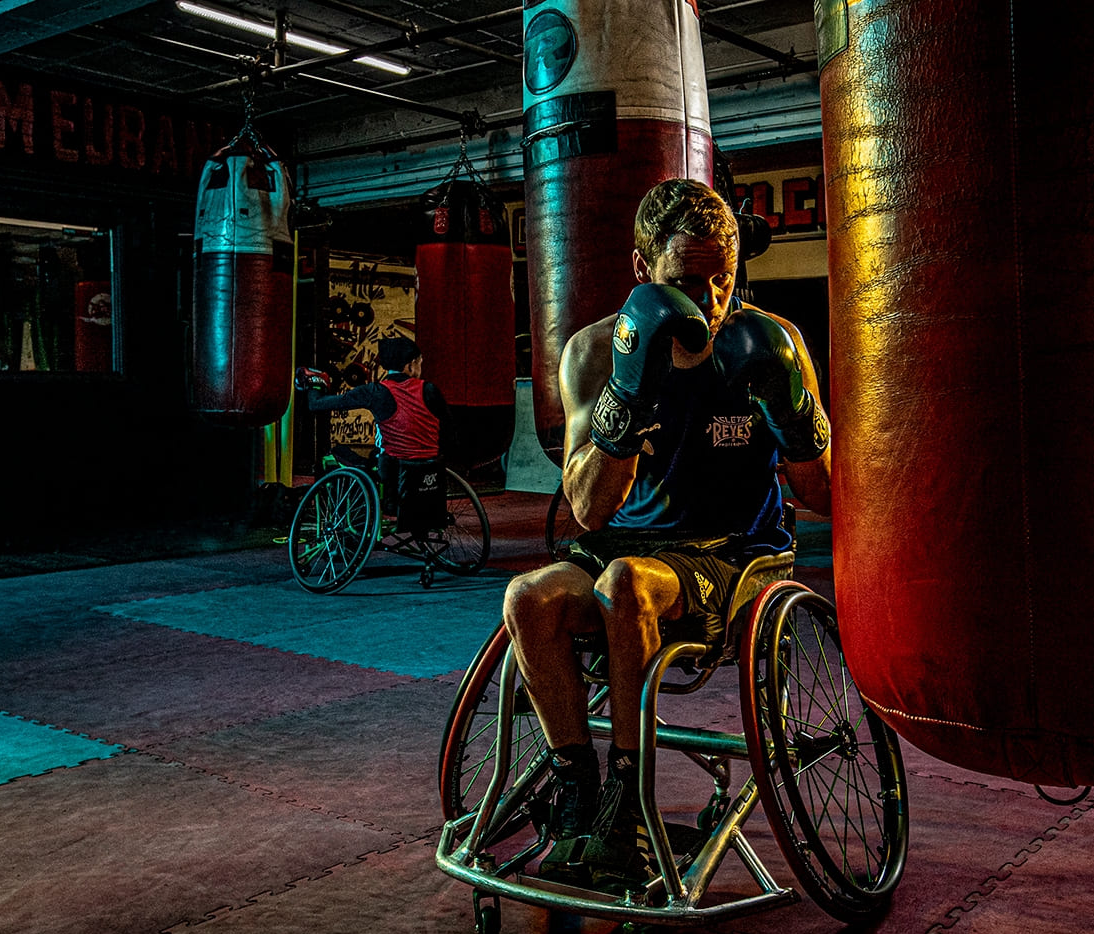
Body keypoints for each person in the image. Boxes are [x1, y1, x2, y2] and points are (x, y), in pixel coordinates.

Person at [502, 178, 832, 892]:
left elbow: (825, 494)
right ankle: (579, 791)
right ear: (642, 268)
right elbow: (588, 511)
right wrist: (628, 398)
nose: (709, 300)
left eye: (723, 279)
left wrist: (792, 410)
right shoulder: (596, 352)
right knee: (528, 598)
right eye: (685, 281)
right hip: (622, 544)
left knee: (627, 586)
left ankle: (629, 805)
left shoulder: (770, 342)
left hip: (731, 555)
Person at [299, 336, 454, 525]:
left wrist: (317, 382)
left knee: (337, 454)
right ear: (411, 365)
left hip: (393, 483)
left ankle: (350, 528)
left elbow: (316, 404)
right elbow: (448, 431)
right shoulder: (430, 390)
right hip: (432, 477)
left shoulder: (375, 392)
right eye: (420, 363)